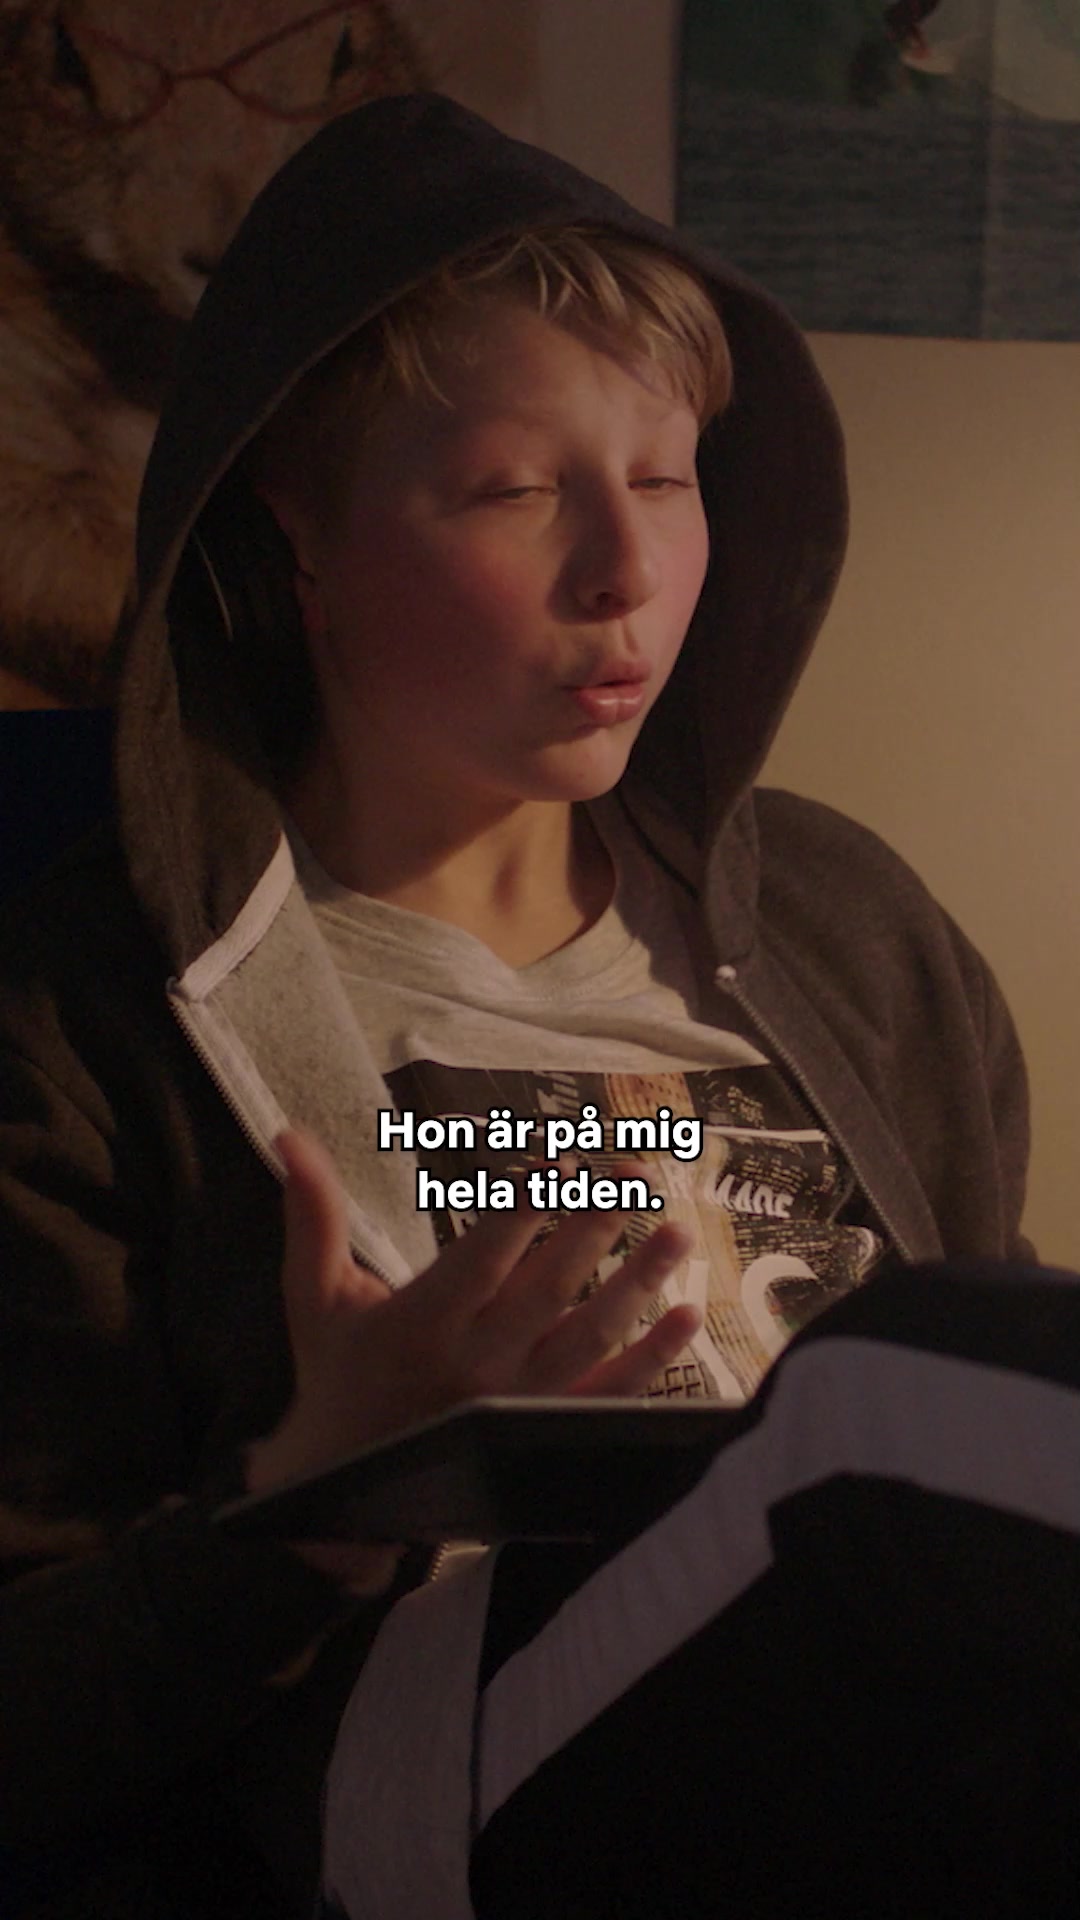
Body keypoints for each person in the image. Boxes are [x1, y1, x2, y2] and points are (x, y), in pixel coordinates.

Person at [0, 92, 1033, 1919]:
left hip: (891, 1733)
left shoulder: (845, 924)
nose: (625, 573)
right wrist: (316, 1498)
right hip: (433, 1781)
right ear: (296, 533)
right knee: (905, 1413)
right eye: (514, 489)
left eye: (665, 480)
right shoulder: (81, 1018)